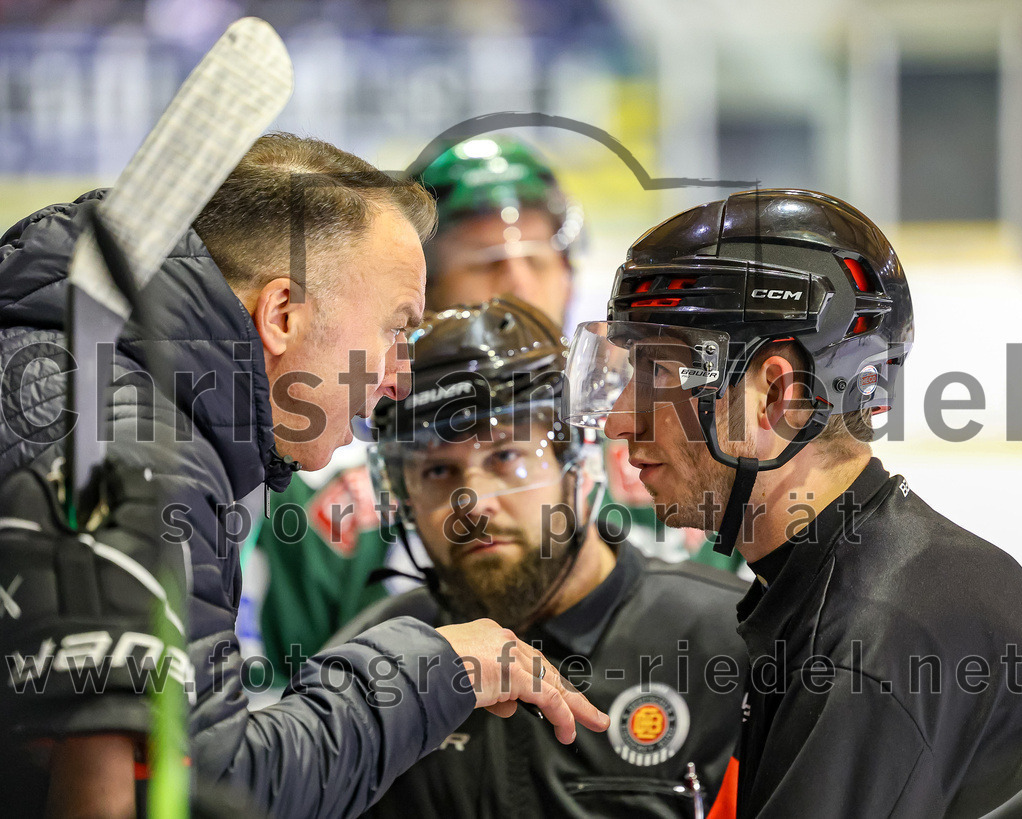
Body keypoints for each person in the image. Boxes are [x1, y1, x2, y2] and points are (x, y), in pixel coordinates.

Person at [0, 133, 607, 817]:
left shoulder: (102, 397)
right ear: (283, 315)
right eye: (396, 329)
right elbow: (194, 793)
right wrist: (437, 669)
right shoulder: (131, 450)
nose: (400, 375)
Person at [561, 188, 1022, 817]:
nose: (620, 421)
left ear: (774, 394)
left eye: (658, 376)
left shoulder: (875, 640)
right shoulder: (860, 583)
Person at [252, 135, 721, 689]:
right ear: (418, 286)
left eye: (538, 259)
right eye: (487, 261)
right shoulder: (324, 494)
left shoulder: (661, 455)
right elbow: (285, 716)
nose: (520, 284)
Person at [331, 295, 749, 816]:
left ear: (575, 462)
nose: (472, 503)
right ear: (404, 498)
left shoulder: (736, 644)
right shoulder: (375, 668)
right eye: (438, 471)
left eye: (506, 456)